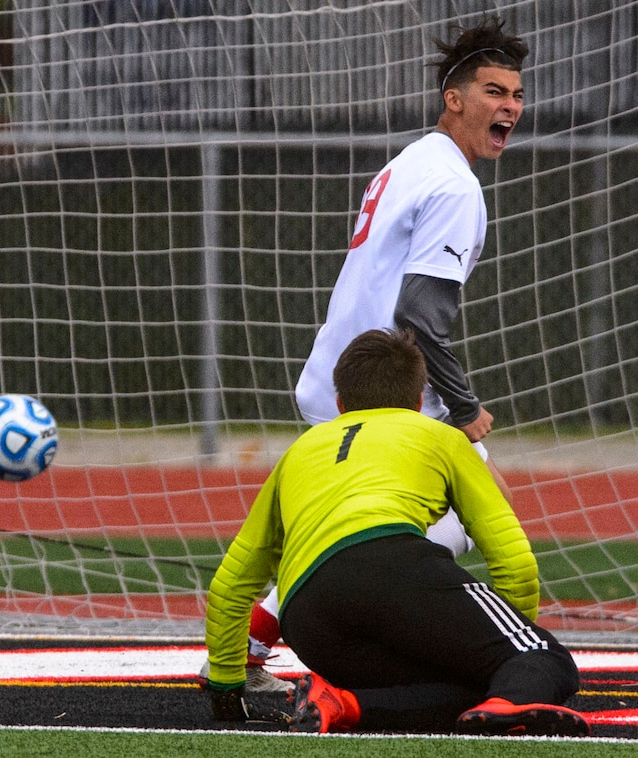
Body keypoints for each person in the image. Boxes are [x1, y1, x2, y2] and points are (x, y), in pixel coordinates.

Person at [236, 14, 527, 691]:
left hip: (339, 376)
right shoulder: (455, 185)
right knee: (463, 500)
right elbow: (420, 315)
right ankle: (426, 647)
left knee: (388, 517)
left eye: (515, 94)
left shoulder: (412, 160)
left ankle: (254, 642)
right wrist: (465, 405)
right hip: (384, 390)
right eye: (493, 91)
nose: (509, 106)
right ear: (453, 99)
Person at [205, 328, 588, 737]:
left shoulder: (299, 451)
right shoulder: (441, 436)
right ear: (420, 401)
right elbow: (511, 553)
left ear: (339, 404)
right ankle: (511, 698)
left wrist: (227, 689)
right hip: (394, 565)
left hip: (307, 616)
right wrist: (509, 648)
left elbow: (232, 583)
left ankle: (344, 704)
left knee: (464, 688)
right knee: (546, 660)